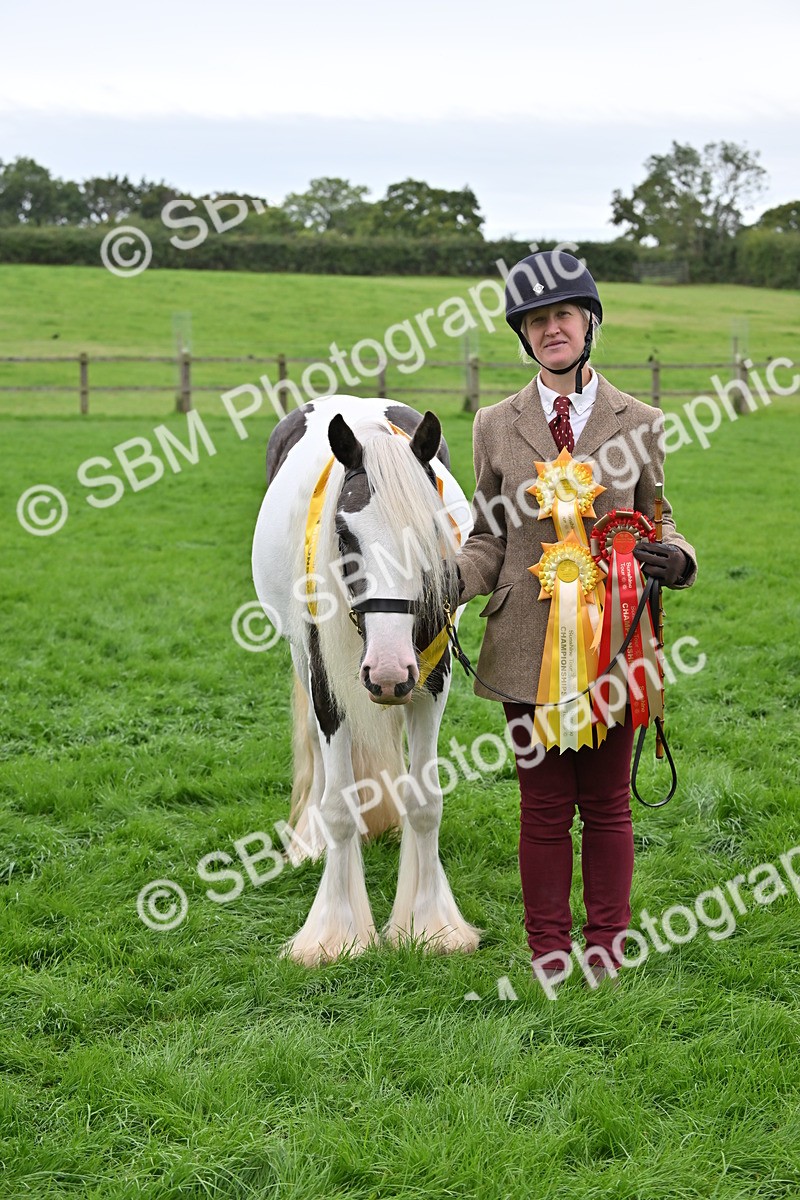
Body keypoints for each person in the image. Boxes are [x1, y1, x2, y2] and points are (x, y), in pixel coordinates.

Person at [455, 251, 696, 989]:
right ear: (524, 337)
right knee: (543, 809)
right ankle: (550, 951)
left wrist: (677, 560)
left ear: (588, 323)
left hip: (615, 644)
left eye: (562, 315)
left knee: (608, 805)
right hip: (527, 643)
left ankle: (606, 949)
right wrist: (445, 584)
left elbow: (661, 521)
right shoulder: (496, 425)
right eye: (536, 320)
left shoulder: (642, 421)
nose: (551, 329)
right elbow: (488, 538)